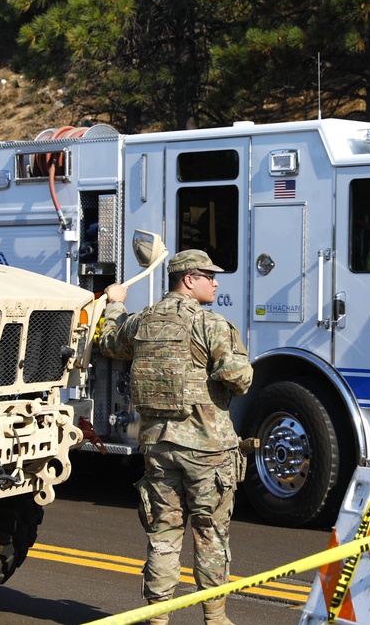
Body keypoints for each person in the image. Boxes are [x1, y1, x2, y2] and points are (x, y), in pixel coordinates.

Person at [98, 250, 253, 625]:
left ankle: (157, 618)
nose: (215, 282)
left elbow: (107, 342)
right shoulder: (210, 324)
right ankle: (215, 619)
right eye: (208, 276)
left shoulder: (141, 322)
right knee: (210, 533)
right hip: (205, 450)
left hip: (157, 447)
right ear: (188, 279)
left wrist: (116, 304)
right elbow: (240, 379)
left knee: (163, 534)